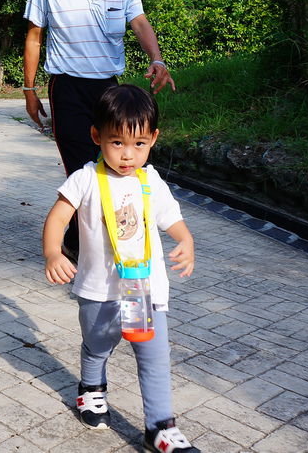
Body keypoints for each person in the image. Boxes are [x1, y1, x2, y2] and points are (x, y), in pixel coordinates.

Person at [42, 84, 198, 452]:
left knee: (154, 357)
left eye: (139, 144)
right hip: (99, 289)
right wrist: (53, 252)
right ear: (97, 136)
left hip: (146, 289)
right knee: (98, 345)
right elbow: (57, 217)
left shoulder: (150, 180)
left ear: (153, 139)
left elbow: (171, 218)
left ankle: (160, 425)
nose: (128, 155)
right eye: (117, 143)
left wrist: (186, 241)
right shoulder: (85, 179)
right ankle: (91, 389)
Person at [23, 0, 176, 261]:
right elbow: (34, 37)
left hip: (109, 88)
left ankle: (114, 236)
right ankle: (77, 245)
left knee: (117, 166)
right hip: (68, 87)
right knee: (81, 169)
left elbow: (138, 21)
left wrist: (156, 58)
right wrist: (29, 91)